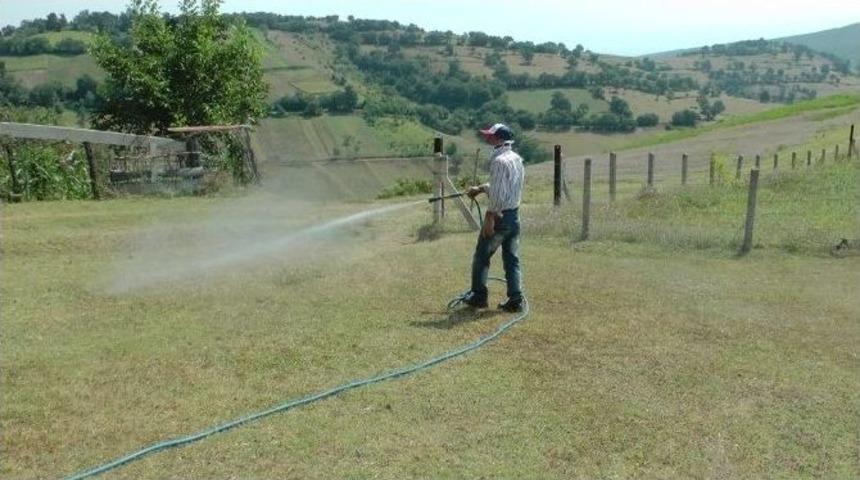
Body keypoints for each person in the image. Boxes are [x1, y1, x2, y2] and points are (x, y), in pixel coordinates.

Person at [462, 123, 525, 312]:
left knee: (482, 255)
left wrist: (490, 216)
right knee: (511, 258)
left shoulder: (498, 161)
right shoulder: (516, 158)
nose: (487, 138)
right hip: (513, 216)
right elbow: (504, 187)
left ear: (499, 139)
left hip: (498, 217)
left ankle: (479, 296)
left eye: (490, 136)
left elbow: (498, 195)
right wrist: (481, 188)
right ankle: (515, 299)